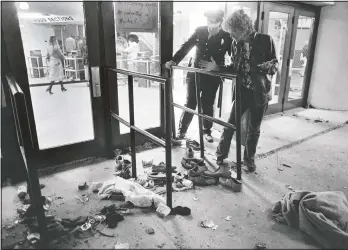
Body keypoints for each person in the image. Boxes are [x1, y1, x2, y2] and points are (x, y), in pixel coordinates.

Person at [200, 9, 278, 173]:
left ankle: (249, 161)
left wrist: (268, 67)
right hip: (242, 91)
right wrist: (217, 68)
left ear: (243, 28)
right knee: (230, 125)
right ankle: (220, 156)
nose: (232, 36)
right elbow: (235, 70)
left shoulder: (265, 40)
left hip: (259, 92)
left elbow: (274, 65)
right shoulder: (236, 43)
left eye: (233, 32)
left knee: (253, 129)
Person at [165, 9, 232, 143]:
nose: (211, 24)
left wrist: (219, 68)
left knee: (207, 104)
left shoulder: (227, 36)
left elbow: (233, 56)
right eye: (209, 21)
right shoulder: (200, 31)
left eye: (214, 22)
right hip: (194, 72)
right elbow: (187, 46)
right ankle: (182, 131)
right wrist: (174, 60)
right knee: (190, 102)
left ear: (221, 22)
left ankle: (206, 131)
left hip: (212, 76)